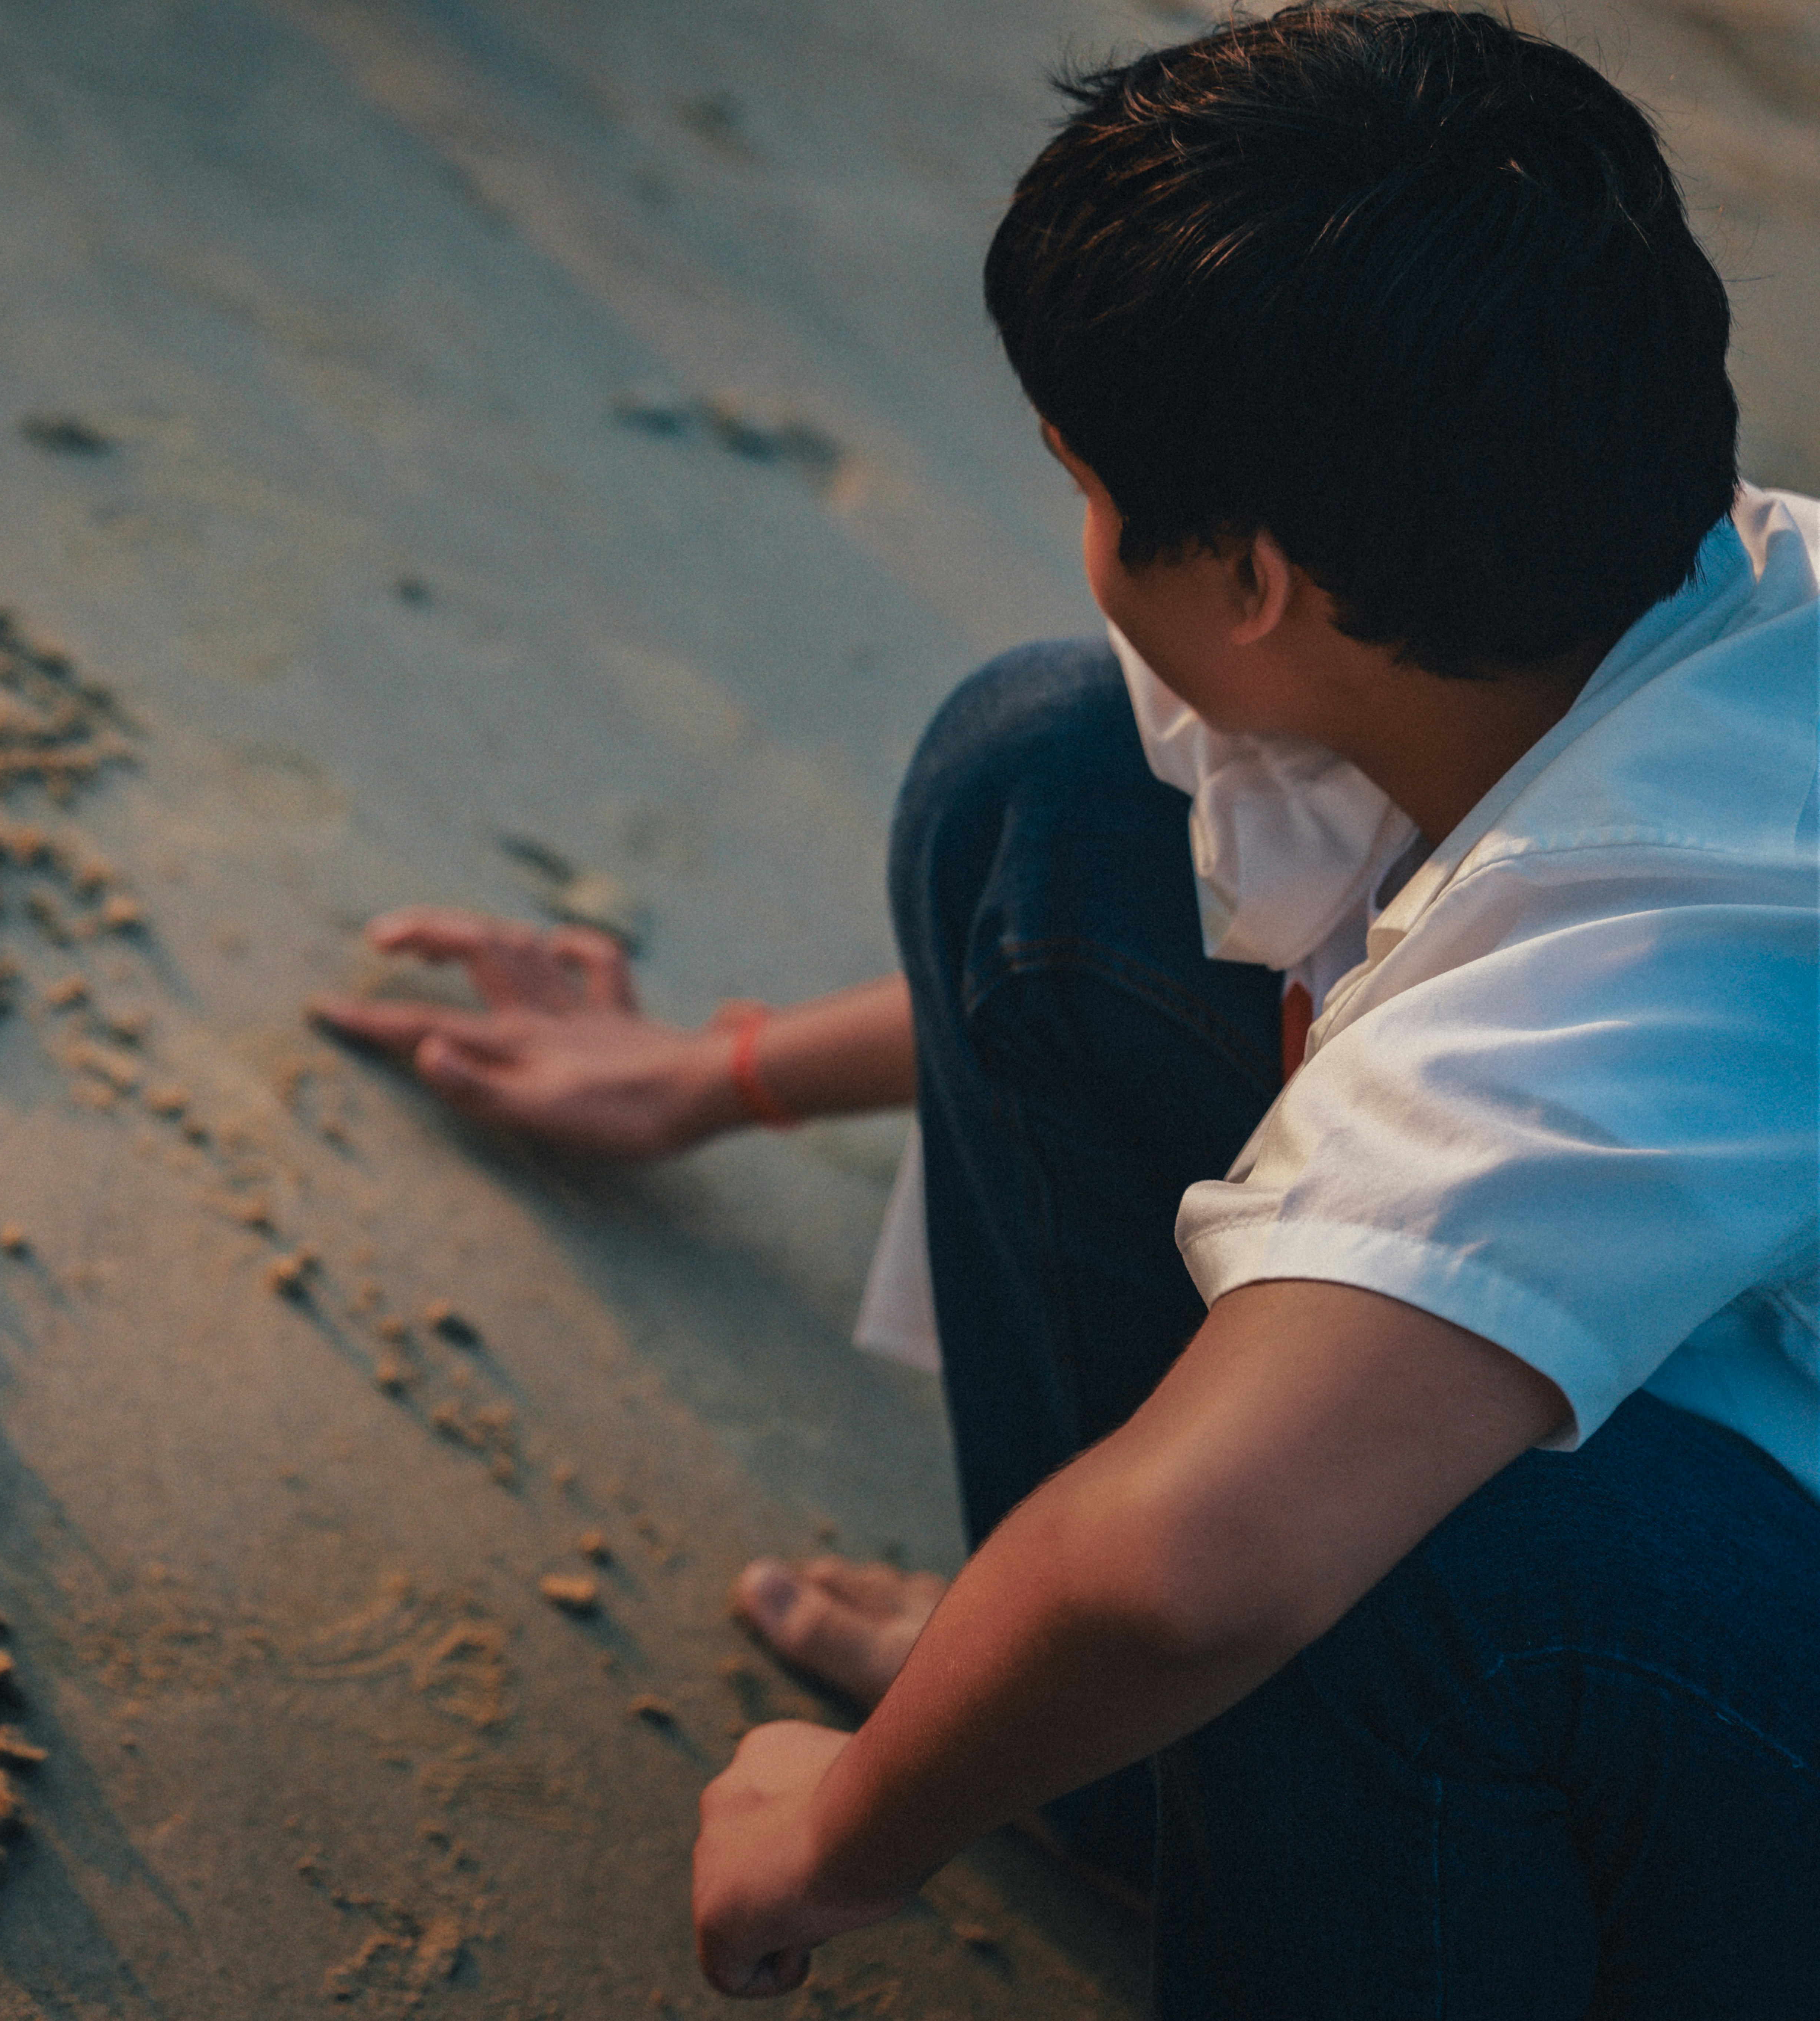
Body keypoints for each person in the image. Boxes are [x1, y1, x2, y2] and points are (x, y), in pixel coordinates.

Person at [309, 5, 1818, 2012]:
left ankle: (1165, 1750)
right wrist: (716, 1075)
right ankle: (1138, 1788)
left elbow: (1206, 1565)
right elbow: (1134, 915)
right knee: (1045, 780)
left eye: (1089, 479)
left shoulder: (1626, 968)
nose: (1084, 529)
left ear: (1263, 578)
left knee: (1370, 1563)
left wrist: (844, 1831)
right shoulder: (1636, 587)